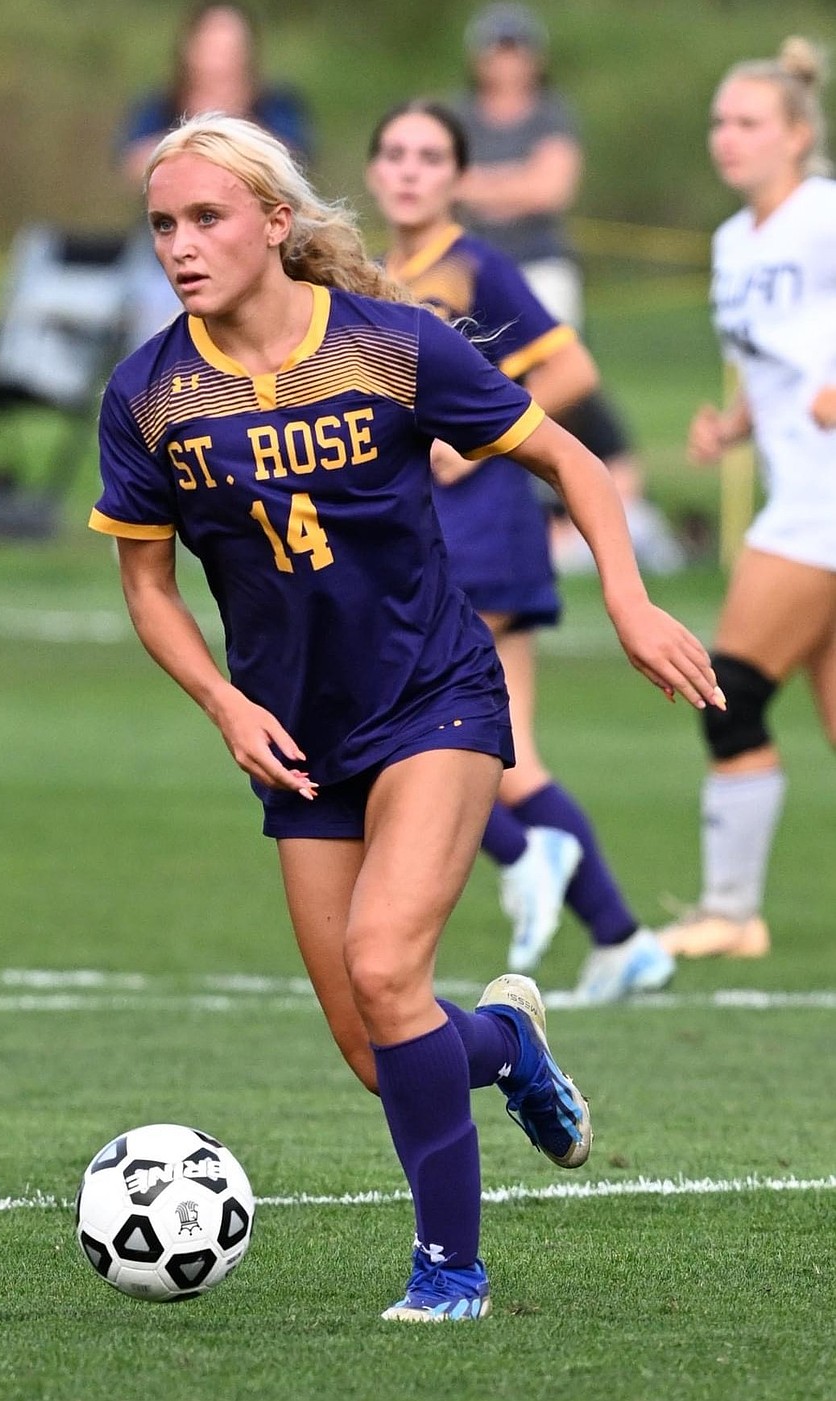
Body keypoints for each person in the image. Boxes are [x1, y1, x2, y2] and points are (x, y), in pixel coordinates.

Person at [89, 112, 721, 1321]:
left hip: (434, 694)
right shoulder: (148, 393)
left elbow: (575, 465)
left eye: (207, 217)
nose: (179, 244)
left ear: (277, 224)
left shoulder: (394, 346)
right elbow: (146, 583)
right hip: (294, 736)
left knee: (386, 967)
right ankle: (507, 1046)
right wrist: (222, 701)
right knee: (380, 1052)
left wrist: (632, 608)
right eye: (162, 223)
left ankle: (449, 1272)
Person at [366, 99, 676, 1003]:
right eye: (395, 152)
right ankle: (622, 937)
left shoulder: (475, 265)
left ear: (460, 175)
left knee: (416, 717)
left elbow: (572, 371)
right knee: (512, 750)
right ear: (376, 171)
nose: (411, 169)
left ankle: (522, 853)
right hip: (430, 529)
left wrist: (476, 426)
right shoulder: (377, 272)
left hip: (486, 523)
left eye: (430, 155)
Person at [658, 38, 836, 960]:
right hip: (800, 487)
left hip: (820, 502)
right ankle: (732, 908)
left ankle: (731, 910)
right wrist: (733, 424)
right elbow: (781, 358)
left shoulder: (823, 214)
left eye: (749, 122)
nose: (726, 138)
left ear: (798, 135)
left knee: (731, 689)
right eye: (719, 122)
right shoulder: (734, 242)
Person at [451, 3, 685, 576]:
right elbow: (455, 183)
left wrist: (486, 184)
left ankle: (586, 504)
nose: (507, 62)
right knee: (473, 378)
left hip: (538, 267)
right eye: (497, 50)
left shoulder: (550, 113)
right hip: (472, 272)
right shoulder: (459, 115)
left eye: (516, 49)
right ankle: (511, 502)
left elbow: (550, 188)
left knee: (560, 381)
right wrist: (515, 183)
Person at [114, 2, 312, 351]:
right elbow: (132, 164)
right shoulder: (159, 104)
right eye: (211, 41)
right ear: (189, 47)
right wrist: (205, 130)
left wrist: (225, 120)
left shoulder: (276, 103)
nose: (220, 54)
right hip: (162, 261)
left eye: (230, 43)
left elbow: (292, 161)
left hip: (255, 251)